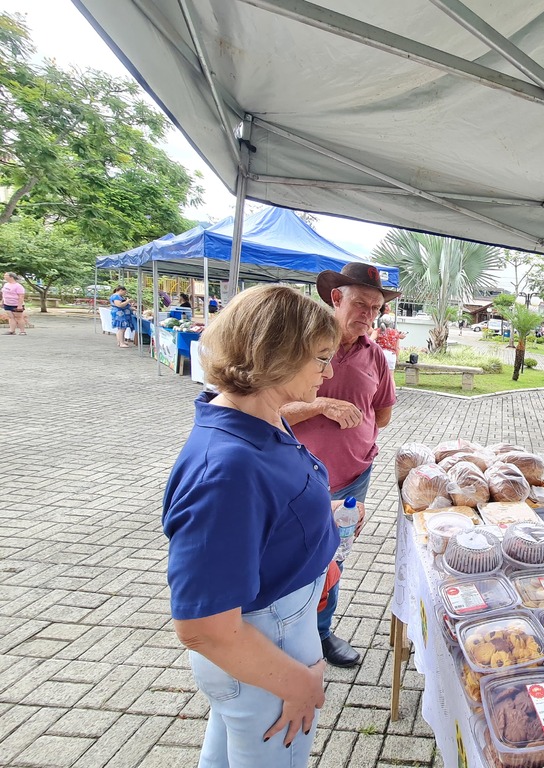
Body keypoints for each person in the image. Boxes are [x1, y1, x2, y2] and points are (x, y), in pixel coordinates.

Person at [162, 284, 340, 766]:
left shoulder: (263, 415)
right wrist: (297, 681)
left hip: (276, 630)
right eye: (321, 357)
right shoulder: (227, 468)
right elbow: (203, 627)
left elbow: (274, 503)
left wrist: (328, 525)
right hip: (264, 644)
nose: (329, 371)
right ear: (276, 356)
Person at [282, 262, 401, 668]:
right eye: (361, 304)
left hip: (354, 477)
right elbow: (271, 410)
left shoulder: (376, 357)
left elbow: (381, 414)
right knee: (294, 556)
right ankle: (284, 636)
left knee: (335, 557)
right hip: (298, 476)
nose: (369, 314)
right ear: (336, 298)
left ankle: (320, 633)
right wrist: (321, 406)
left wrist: (358, 430)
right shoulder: (301, 346)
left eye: (376, 307)